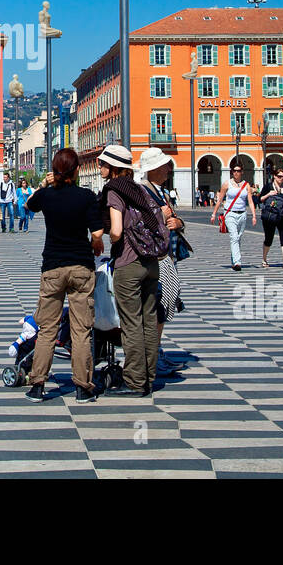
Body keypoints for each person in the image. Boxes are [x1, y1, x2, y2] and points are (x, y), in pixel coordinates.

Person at [22, 148, 105, 404]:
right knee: (81, 330)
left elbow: (28, 205)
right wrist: (95, 243)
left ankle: (37, 385)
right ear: (77, 170)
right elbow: (99, 231)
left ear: (55, 171)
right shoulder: (86, 196)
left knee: (47, 328)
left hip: (53, 267)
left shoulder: (46, 195)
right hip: (81, 267)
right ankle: (82, 388)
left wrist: (46, 183)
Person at [98, 144, 166, 397]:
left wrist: (110, 241)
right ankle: (149, 377)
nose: (100, 167)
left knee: (131, 323)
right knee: (149, 319)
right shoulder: (139, 189)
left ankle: (135, 381)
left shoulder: (114, 190)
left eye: (104, 163)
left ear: (115, 167)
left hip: (129, 262)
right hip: (151, 262)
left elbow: (116, 230)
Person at [136, 148, 189, 378]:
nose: (169, 168)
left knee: (165, 304)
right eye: (165, 165)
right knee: (156, 306)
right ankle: (152, 356)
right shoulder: (144, 191)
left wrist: (178, 222)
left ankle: (156, 351)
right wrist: (160, 213)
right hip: (155, 258)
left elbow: (173, 220)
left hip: (167, 255)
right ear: (153, 169)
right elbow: (138, 221)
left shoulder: (162, 191)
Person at [213, 160, 256, 272]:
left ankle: (234, 261)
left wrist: (254, 216)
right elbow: (220, 200)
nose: (236, 173)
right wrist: (214, 214)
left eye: (238, 171)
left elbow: (250, 201)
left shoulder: (246, 185)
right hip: (230, 213)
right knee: (234, 237)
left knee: (238, 238)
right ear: (232, 172)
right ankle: (237, 262)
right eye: (234, 171)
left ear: (242, 172)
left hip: (242, 213)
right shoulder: (226, 184)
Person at [259, 168, 283, 269]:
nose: (281, 179)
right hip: (270, 216)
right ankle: (264, 259)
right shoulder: (268, 187)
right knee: (269, 238)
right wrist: (269, 194)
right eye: (279, 176)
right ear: (274, 176)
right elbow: (260, 199)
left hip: (282, 216)